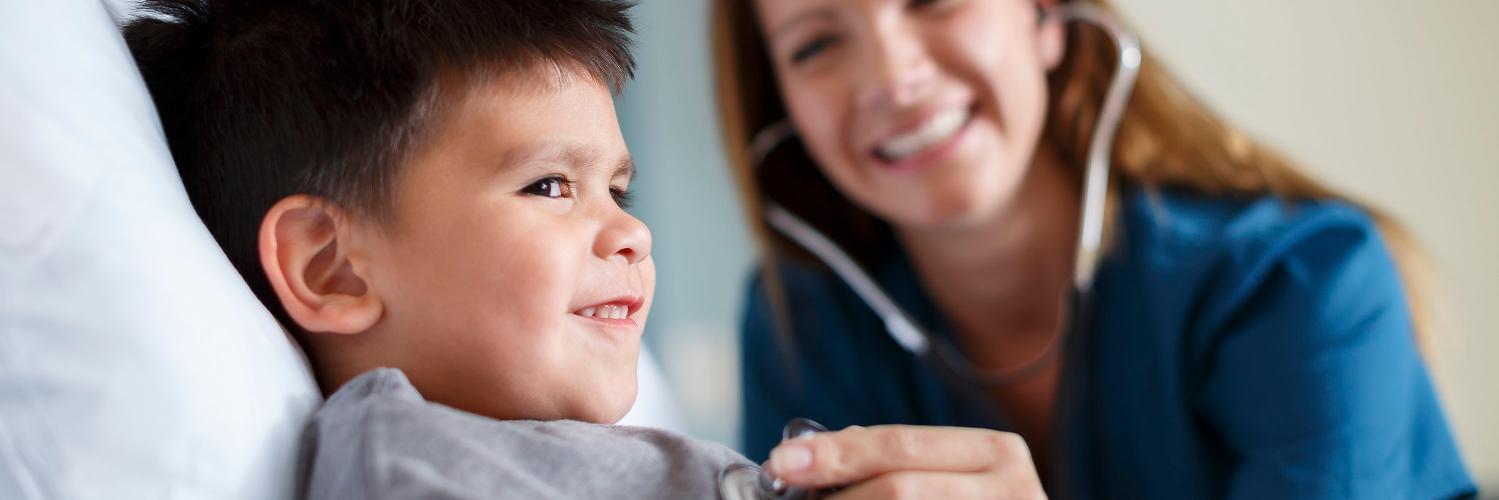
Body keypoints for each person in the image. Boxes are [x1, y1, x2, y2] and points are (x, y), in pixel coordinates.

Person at [712, 0, 1476, 497]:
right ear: (785, 111)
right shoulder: (798, 320)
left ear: (1044, 17)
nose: (890, 76)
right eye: (814, 45)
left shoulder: (1304, 279)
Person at [122, 1, 749, 498]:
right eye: (551, 186)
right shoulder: (409, 460)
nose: (632, 234)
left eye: (617, 192)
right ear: (332, 269)